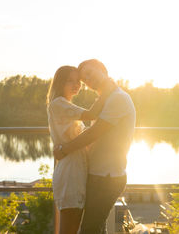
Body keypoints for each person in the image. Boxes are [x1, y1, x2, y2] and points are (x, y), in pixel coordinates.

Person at [53, 59, 136, 234]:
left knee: (90, 229)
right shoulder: (106, 100)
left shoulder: (117, 98)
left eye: (90, 73)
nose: (88, 80)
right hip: (97, 174)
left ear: (103, 70)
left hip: (107, 177)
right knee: (96, 227)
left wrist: (64, 149)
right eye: (85, 79)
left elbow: (93, 133)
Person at [47, 65, 113, 234]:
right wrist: (108, 91)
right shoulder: (58, 104)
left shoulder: (66, 105)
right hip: (70, 173)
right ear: (60, 83)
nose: (76, 84)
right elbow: (92, 114)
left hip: (77, 170)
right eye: (70, 81)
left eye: (78, 81)